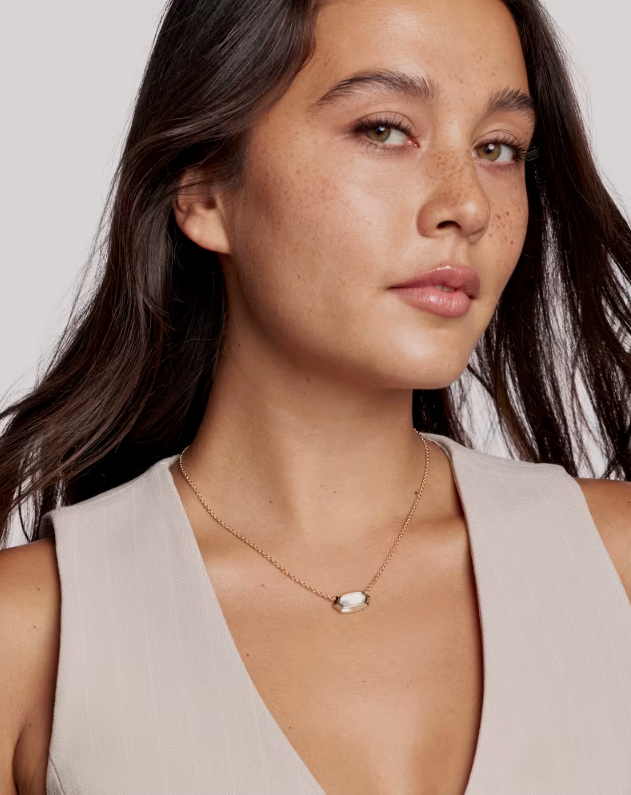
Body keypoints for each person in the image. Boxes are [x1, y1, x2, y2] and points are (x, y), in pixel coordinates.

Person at [1, 0, 631, 792]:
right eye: (383, 130)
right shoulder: (31, 639)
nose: (468, 205)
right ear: (204, 190)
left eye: (497, 147)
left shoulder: (616, 566)